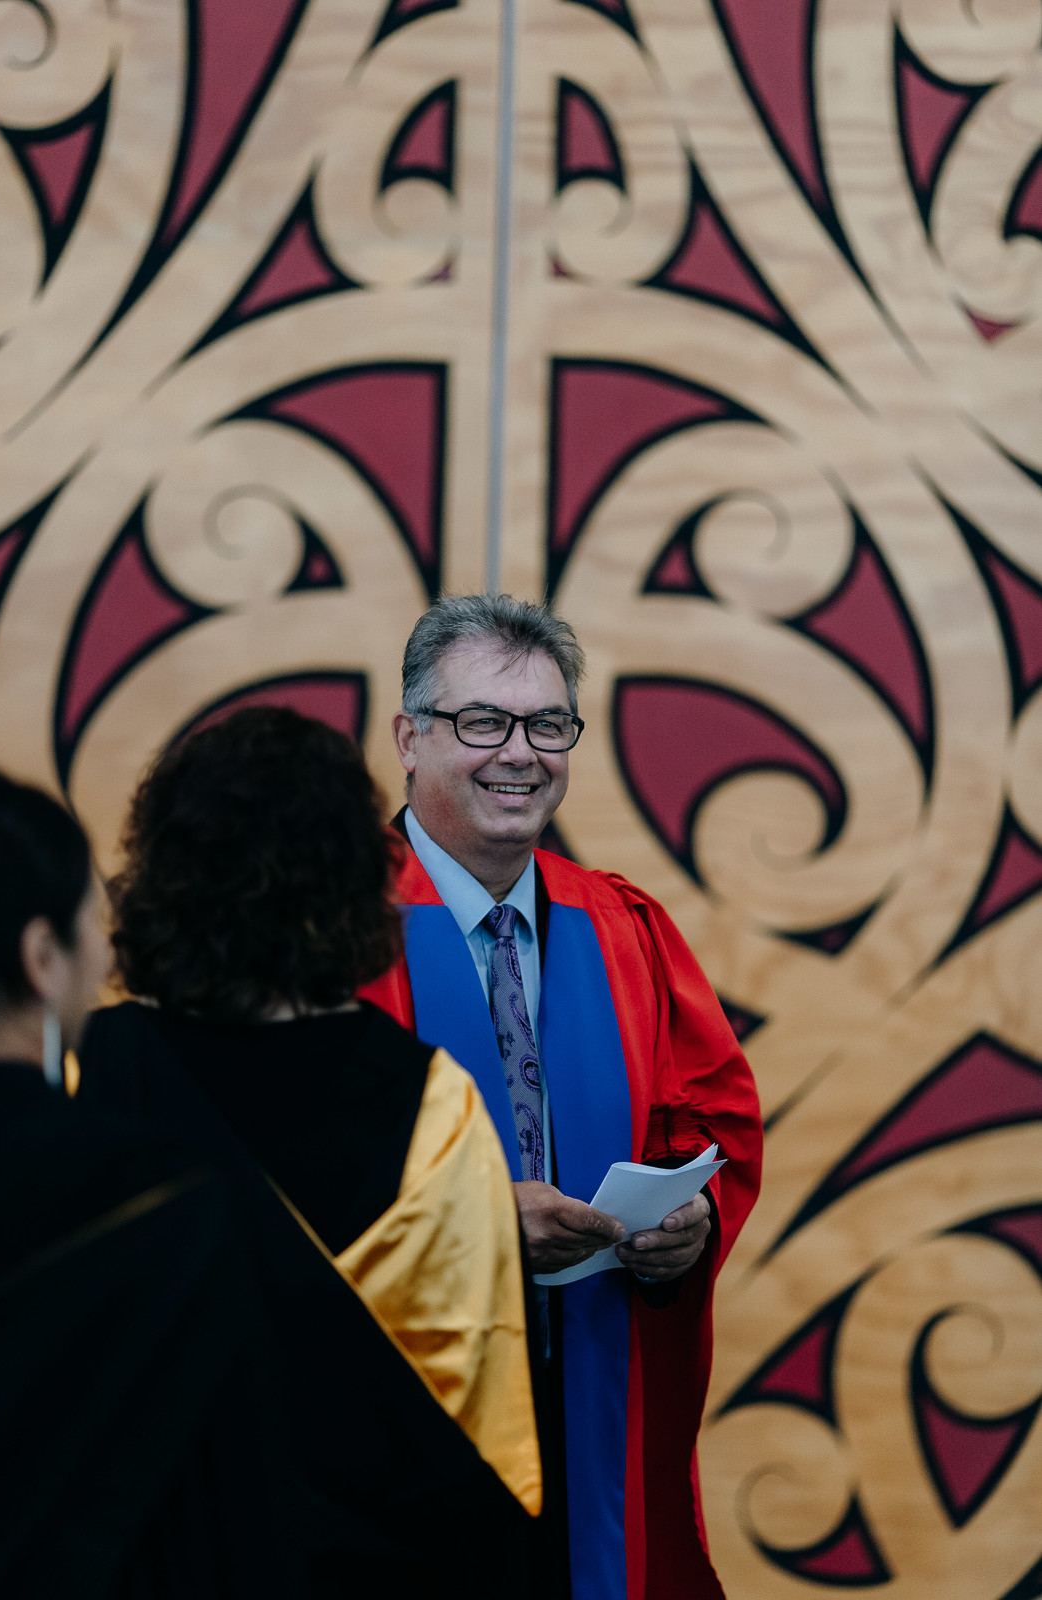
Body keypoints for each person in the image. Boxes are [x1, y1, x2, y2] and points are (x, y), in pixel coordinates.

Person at [78, 708, 543, 1597]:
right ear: (356, 881)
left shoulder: (89, 1073)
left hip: (136, 1559)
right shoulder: (427, 1103)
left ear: (162, 875)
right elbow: (473, 1417)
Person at [361, 594, 764, 1600]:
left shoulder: (623, 926)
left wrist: (689, 1221)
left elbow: (708, 1120)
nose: (519, 753)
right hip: (392, 1412)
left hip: (586, 1386)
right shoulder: (336, 928)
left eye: (547, 724)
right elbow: (280, 1168)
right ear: (409, 738)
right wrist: (477, 1229)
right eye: (482, 722)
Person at [0, 764, 306, 1600]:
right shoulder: (159, 1200)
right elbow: (231, 1513)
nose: (107, 951)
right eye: (92, 922)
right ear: (42, 957)